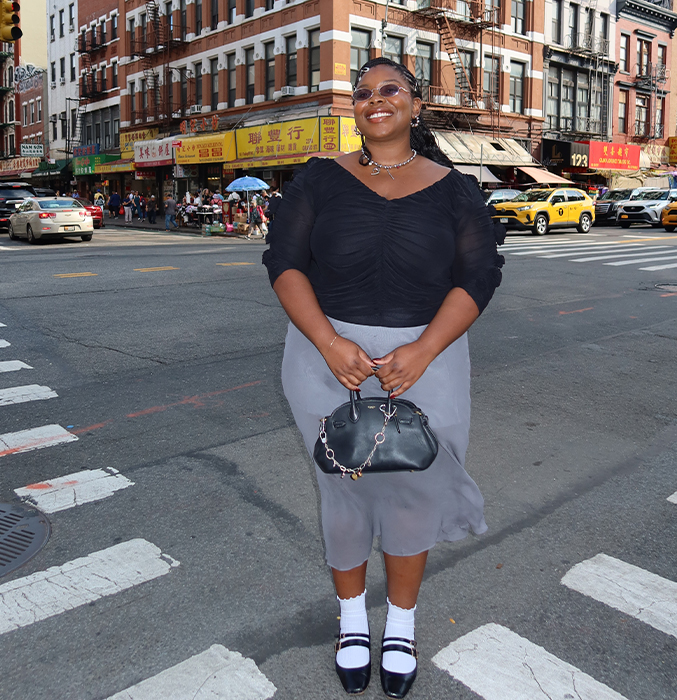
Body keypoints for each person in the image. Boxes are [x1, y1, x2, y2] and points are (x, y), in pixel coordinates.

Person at [262, 57, 504, 699]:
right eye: (362, 92)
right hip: (324, 356)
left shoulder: (456, 188)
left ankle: (400, 623)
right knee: (343, 490)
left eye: (390, 89)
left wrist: (424, 348)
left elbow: (479, 275)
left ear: (416, 103)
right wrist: (327, 340)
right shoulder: (317, 180)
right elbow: (284, 261)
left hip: (430, 358)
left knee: (413, 491)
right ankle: (351, 623)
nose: (375, 100)